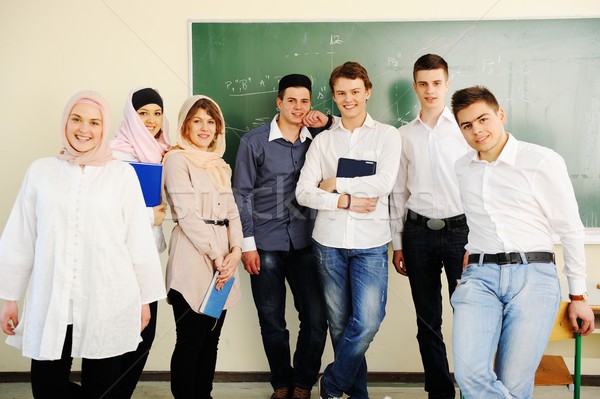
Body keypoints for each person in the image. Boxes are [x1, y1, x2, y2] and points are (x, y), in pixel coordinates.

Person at [0, 90, 166, 399]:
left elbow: (138, 242)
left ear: (104, 128)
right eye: (76, 119)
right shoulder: (41, 172)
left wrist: (144, 300)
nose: (84, 130)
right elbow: (20, 236)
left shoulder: (121, 176)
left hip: (107, 298)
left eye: (94, 122)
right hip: (54, 298)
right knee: (46, 388)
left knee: (101, 388)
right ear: (65, 122)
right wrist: (9, 297)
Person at [450, 85, 595, 399]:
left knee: (514, 383)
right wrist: (469, 256)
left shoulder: (541, 161)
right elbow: (478, 221)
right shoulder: (462, 168)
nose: (477, 130)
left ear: (500, 115)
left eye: (483, 119)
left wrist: (577, 294)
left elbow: (571, 228)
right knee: (469, 374)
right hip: (480, 277)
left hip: (534, 276)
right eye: (467, 125)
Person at [296, 61, 402, 399]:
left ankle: (332, 382)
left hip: (370, 244)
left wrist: (336, 184)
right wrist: (342, 202)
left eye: (355, 92)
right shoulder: (323, 142)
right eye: (341, 93)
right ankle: (358, 395)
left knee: (368, 321)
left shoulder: (387, 135)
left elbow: (384, 182)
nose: (349, 99)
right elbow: (303, 191)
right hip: (328, 244)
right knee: (340, 327)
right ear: (334, 96)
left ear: (367, 92)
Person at [233, 74, 331, 399]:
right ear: (279, 102)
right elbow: (241, 194)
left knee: (316, 320)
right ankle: (281, 384)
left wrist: (328, 121)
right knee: (273, 322)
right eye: (292, 100)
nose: (298, 107)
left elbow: (356, 128)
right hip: (264, 244)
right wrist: (247, 245)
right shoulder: (253, 142)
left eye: (305, 101)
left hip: (306, 243)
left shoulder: (321, 138)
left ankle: (302, 383)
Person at [389, 54, 470, 399]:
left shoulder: (466, 130)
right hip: (418, 233)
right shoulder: (404, 135)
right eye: (423, 84)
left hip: (460, 233)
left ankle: (472, 387)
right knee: (427, 321)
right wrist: (398, 244)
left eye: (437, 83)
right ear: (415, 87)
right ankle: (440, 392)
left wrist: (476, 243)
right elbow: (397, 191)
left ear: (447, 83)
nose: (430, 90)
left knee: (468, 316)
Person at [163, 94, 243, 399]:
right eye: (197, 120)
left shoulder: (219, 165)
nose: (205, 127)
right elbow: (186, 215)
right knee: (190, 340)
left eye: (211, 121)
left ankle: (203, 395)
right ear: (185, 125)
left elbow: (232, 211)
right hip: (193, 257)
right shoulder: (177, 160)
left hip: (223, 259)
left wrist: (234, 252)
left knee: (212, 339)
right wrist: (217, 255)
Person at [110, 87, 171, 398]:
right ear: (130, 116)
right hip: (118, 257)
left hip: (146, 255)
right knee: (123, 333)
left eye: (157, 113)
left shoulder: (163, 151)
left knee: (145, 333)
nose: (151, 120)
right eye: (143, 113)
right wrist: (152, 216)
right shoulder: (115, 154)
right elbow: (109, 209)